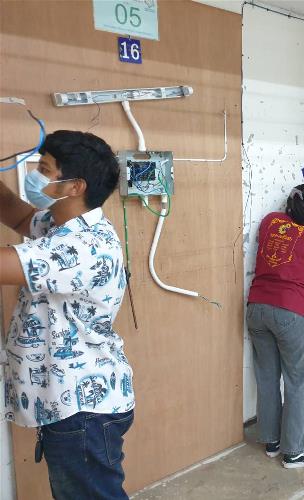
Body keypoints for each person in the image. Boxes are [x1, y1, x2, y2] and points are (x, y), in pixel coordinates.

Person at [0, 130, 134, 499]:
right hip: (72, 404)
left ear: (75, 186)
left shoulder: (82, 246)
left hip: (82, 410)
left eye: (44, 170)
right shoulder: (63, 223)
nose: (35, 177)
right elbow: (19, 215)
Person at [246, 184, 304, 469]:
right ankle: (294, 452)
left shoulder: (270, 220)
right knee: (298, 382)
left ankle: (272, 441)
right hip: (289, 311)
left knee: (267, 377)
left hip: (256, 308)